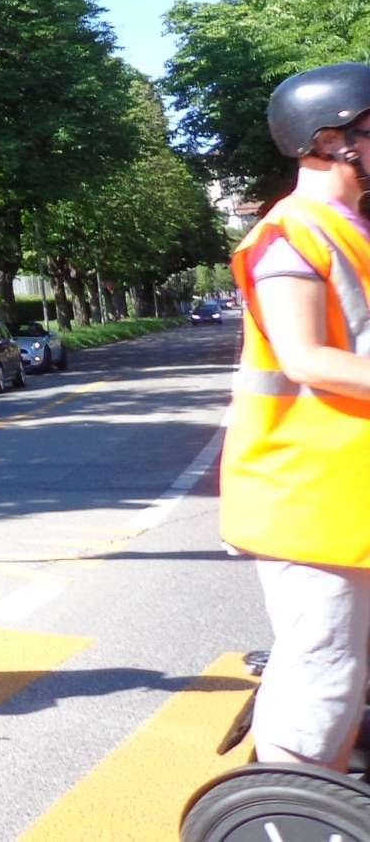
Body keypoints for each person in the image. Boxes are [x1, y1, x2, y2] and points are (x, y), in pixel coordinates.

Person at [220, 62, 370, 772]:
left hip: (348, 495)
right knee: (325, 682)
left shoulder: (355, 229)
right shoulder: (292, 235)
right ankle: (289, 807)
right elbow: (308, 358)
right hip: (308, 500)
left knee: (347, 682)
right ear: (329, 138)